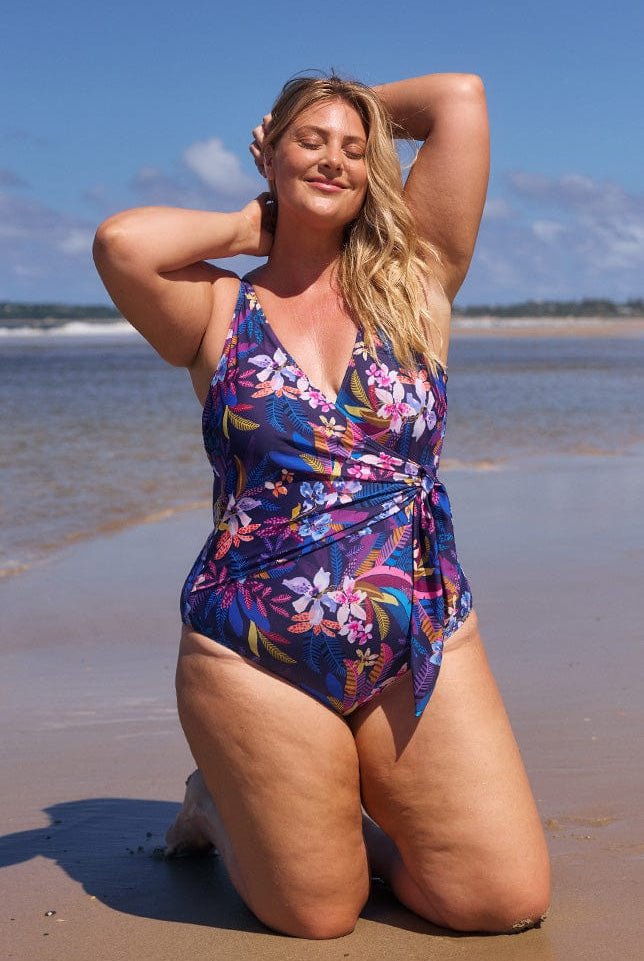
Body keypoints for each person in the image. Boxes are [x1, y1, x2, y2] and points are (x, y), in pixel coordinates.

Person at [93, 71, 550, 940]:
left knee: (500, 903)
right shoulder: (216, 308)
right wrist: (251, 220)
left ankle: (336, 814)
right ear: (267, 151)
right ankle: (220, 808)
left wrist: (343, 114)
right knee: (318, 914)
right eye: (311, 140)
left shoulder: (416, 279)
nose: (334, 159)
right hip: (252, 650)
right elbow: (122, 242)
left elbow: (460, 96)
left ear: (376, 165)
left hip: (416, 628)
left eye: (354, 148)